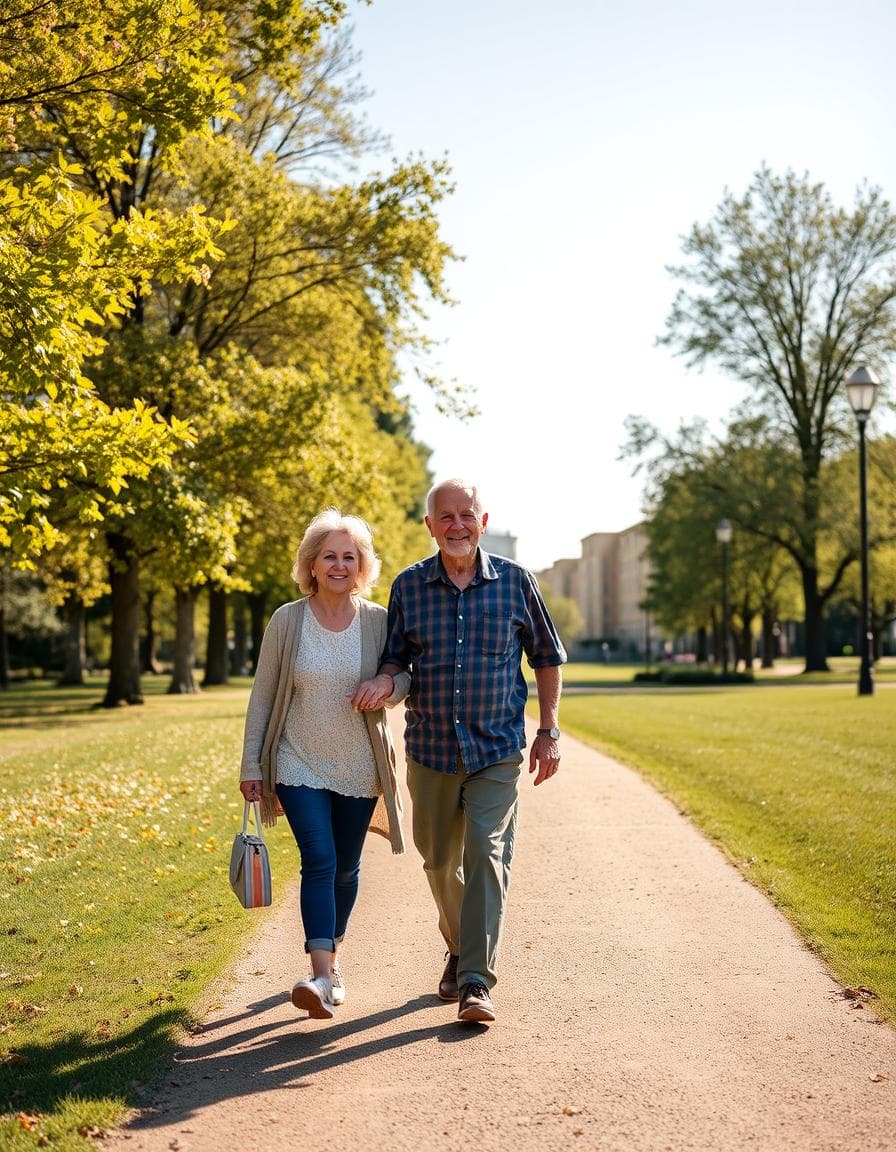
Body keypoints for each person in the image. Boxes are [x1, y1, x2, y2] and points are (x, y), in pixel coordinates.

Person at [378, 479, 566, 1023]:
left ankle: (476, 981)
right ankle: (460, 947)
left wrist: (548, 730)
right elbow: (394, 659)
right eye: (446, 516)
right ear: (430, 525)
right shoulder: (408, 587)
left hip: (496, 750)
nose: (457, 525)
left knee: (486, 853)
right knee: (437, 862)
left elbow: (547, 657)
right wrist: (382, 682)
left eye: (467, 515)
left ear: (483, 522)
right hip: (431, 749)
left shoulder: (515, 583)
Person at [239, 508, 408, 1021]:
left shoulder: (378, 621)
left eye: (349, 557)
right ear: (311, 564)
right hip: (297, 763)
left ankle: (331, 961)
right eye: (329, 556)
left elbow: (403, 677)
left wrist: (386, 686)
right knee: (321, 860)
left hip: (359, 765)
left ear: (363, 566)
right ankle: (319, 972)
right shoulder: (287, 620)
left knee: (347, 868)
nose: (339, 565)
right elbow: (264, 696)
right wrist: (253, 764)